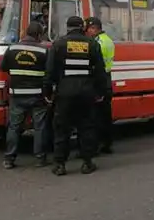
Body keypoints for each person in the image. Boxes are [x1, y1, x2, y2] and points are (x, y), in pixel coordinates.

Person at [44, 16, 107, 176]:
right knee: (86, 128)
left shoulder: (58, 44)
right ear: (82, 27)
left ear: (67, 27)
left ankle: (60, 164)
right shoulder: (92, 44)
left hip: (64, 93)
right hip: (86, 93)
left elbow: (50, 72)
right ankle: (87, 163)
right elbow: (100, 71)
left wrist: (47, 93)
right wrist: (100, 92)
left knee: (62, 129)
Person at [0, 21, 50, 169]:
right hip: (37, 96)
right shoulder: (44, 51)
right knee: (40, 127)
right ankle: (40, 158)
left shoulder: (12, 49)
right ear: (39, 35)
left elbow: (3, 68)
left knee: (14, 127)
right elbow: (49, 73)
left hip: (17, 95)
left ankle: (9, 159)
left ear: (25, 33)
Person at [85, 16, 116, 155]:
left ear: (94, 28)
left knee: (95, 117)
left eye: (88, 29)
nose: (87, 32)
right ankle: (107, 144)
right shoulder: (108, 40)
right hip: (107, 79)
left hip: (99, 80)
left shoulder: (98, 43)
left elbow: (95, 63)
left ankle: (95, 146)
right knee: (106, 116)